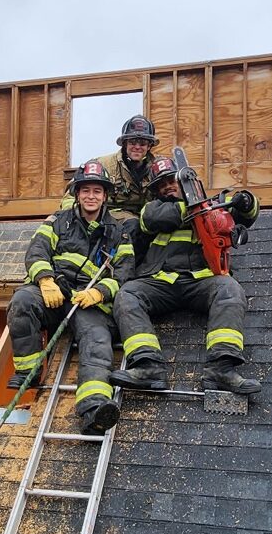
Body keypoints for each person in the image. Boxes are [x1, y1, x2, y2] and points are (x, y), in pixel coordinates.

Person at [111, 154, 261, 396]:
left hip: (202, 281)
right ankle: (148, 366)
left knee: (230, 289)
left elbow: (246, 215)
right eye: (161, 185)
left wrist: (246, 202)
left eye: (171, 180)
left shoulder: (213, 206)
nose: (167, 187)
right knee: (127, 295)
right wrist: (200, 207)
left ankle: (221, 368)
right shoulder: (153, 209)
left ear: (185, 181)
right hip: (159, 282)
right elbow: (153, 219)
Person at [7, 159, 135, 434]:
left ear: (105, 196)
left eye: (97, 191)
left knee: (97, 339)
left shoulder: (118, 232)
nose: (91, 196)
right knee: (22, 302)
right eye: (86, 190)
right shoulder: (58, 221)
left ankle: (94, 409)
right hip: (54, 292)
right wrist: (46, 280)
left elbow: (124, 273)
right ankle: (29, 372)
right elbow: (37, 251)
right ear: (77, 194)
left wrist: (99, 292)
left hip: (86, 301)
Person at [62, 115, 160, 224]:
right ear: (124, 144)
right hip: (106, 221)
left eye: (142, 143)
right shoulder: (102, 165)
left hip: (146, 220)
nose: (137, 147)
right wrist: (74, 217)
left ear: (149, 146)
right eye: (132, 142)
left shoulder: (158, 168)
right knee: (132, 224)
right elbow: (70, 196)